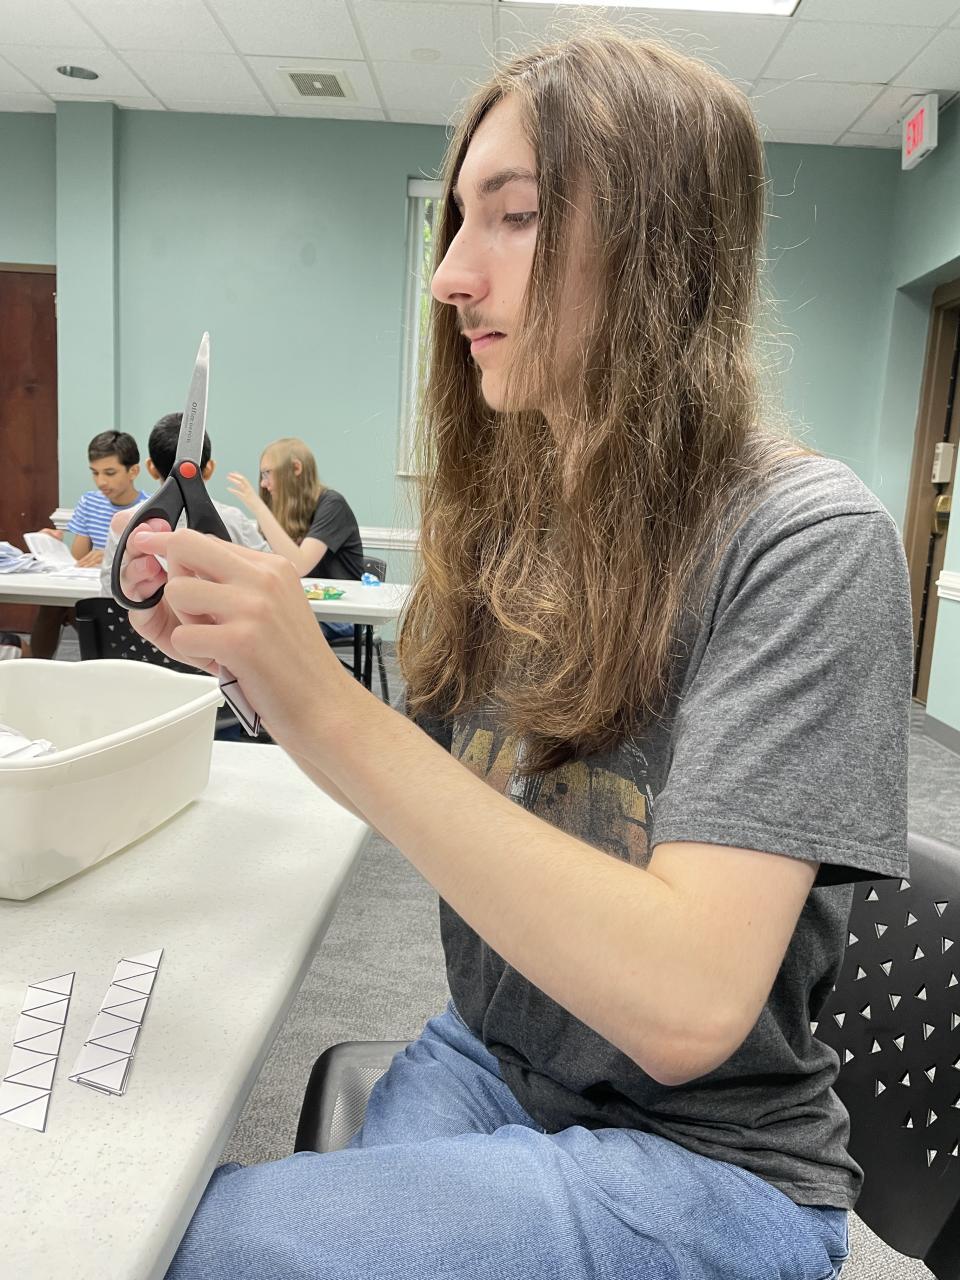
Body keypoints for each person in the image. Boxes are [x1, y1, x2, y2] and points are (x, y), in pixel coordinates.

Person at [116, 29, 911, 1280]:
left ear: (662, 243)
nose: (449, 275)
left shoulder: (809, 540)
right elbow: (431, 782)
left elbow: (691, 1003)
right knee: (139, 1207)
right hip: (494, 1059)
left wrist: (326, 702)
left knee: (178, 1243)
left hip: (708, 1160)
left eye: (517, 216)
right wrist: (255, 653)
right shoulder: (516, 519)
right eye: (455, 221)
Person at [99, 413, 268, 594]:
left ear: (151, 468)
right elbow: (269, 575)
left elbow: (109, 590)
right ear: (209, 469)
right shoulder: (234, 520)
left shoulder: (130, 523)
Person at [226, 437, 362, 642]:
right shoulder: (286, 511)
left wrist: (257, 506)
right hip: (302, 608)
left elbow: (299, 565)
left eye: (267, 473)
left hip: (339, 615)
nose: (263, 483)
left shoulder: (333, 505)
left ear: (296, 468)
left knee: (267, 631)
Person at [30, 429, 148, 659]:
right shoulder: (89, 502)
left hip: (126, 597)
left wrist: (110, 556)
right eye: (95, 473)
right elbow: (78, 559)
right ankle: (36, 665)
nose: (101, 481)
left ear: (133, 471)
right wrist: (52, 545)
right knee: (51, 604)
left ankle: (99, 664)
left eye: (110, 473)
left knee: (86, 611)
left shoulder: (148, 507)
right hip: (90, 589)